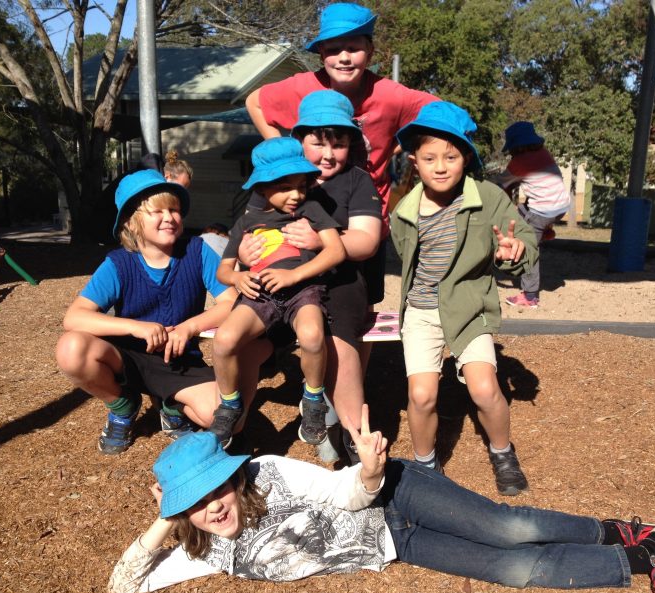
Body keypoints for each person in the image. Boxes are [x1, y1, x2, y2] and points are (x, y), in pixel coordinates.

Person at [108, 406, 655, 593]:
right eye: (197, 505)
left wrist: (372, 470)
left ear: (232, 477)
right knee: (513, 570)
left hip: (395, 494)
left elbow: (344, 493)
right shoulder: (203, 551)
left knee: (508, 527)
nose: (215, 507)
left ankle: (622, 529)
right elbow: (121, 587)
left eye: (216, 489)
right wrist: (165, 522)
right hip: (396, 545)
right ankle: (648, 559)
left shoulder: (266, 474)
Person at [245, 1, 439, 306]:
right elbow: (255, 101)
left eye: (353, 47)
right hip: (307, 209)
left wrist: (396, 148)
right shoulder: (303, 87)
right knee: (298, 298)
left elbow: (438, 113)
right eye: (334, 49)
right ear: (322, 54)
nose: (344, 57)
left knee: (362, 304)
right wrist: (288, 157)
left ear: (370, 51)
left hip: (364, 216)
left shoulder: (390, 95)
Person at [390, 102, 538, 494]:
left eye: (451, 156)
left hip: (469, 306)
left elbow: (523, 240)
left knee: (485, 389)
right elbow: (407, 261)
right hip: (421, 311)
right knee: (420, 396)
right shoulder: (404, 210)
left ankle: (503, 451)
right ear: (415, 162)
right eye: (430, 157)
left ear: (465, 158)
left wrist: (513, 253)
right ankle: (426, 466)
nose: (440, 166)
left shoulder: (487, 197)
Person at [55, 170, 250, 454]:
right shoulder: (119, 263)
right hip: (128, 359)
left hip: (178, 362)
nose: (169, 217)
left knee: (231, 420)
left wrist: (188, 328)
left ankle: (170, 406)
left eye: (174, 209)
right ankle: (122, 404)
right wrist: (135, 327)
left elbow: (231, 302)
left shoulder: (197, 251)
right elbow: (74, 318)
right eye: (157, 211)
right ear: (132, 222)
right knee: (71, 348)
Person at [240, 90, 382, 464]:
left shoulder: (357, 181)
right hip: (278, 280)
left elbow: (366, 241)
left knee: (340, 346)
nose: (328, 154)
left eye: (339, 144)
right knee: (239, 341)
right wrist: (243, 252)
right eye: (318, 143)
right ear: (300, 140)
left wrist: (320, 240)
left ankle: (355, 441)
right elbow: (248, 231)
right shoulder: (276, 178)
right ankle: (232, 427)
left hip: (339, 280)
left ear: (351, 144)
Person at [211, 138, 346, 447]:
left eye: (301, 185)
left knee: (312, 335)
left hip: (303, 290)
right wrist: (237, 279)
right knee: (224, 340)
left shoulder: (312, 209)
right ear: (262, 188)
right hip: (260, 294)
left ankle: (313, 401)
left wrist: (295, 274)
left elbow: (335, 251)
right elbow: (224, 269)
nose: (296, 194)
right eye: (285, 187)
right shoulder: (246, 222)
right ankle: (230, 404)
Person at [491, 121, 571, 309]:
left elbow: (500, 185)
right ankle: (543, 230)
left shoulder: (519, 162)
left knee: (527, 246)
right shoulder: (544, 154)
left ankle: (530, 296)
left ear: (515, 146)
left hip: (544, 210)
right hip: (560, 206)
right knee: (521, 211)